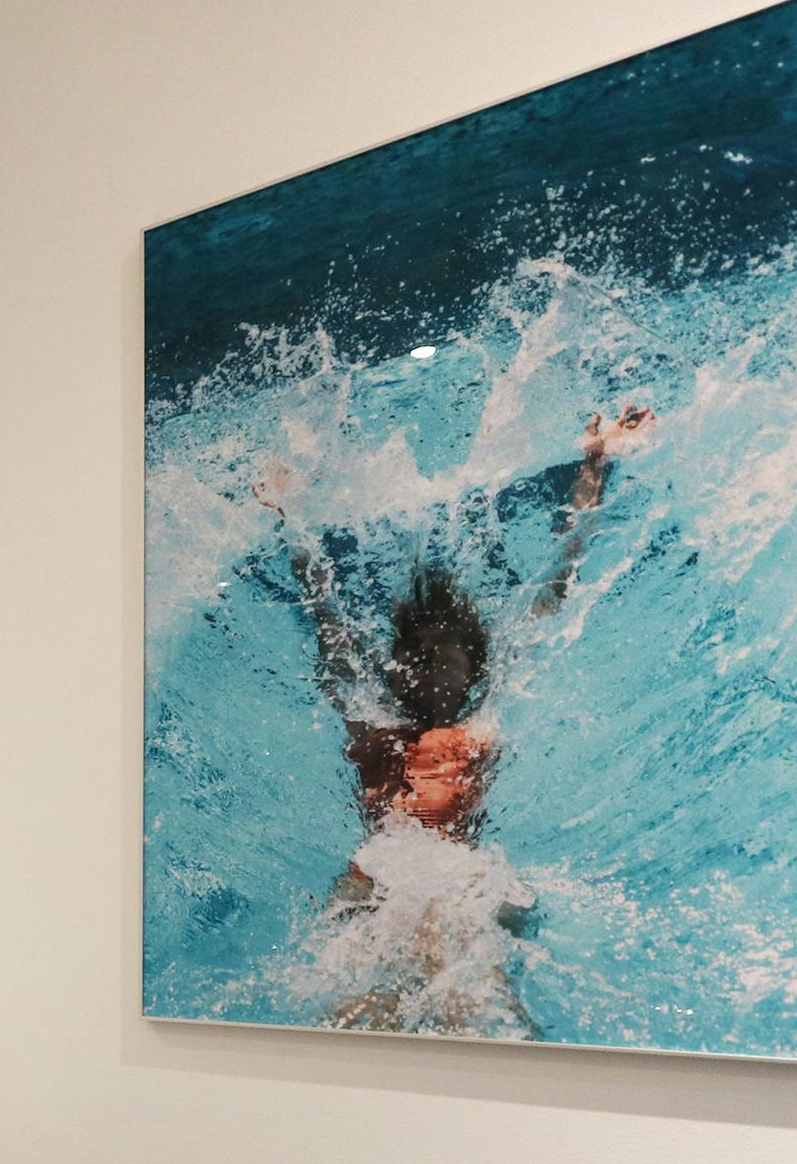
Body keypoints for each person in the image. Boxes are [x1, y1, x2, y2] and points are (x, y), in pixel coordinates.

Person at [250, 404, 654, 1032]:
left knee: (459, 963)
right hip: (377, 871)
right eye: (418, 656)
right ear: (396, 666)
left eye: (446, 657)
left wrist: (594, 467)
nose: (430, 670)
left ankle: (488, 1048)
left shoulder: (480, 722)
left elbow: (557, 581)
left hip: (460, 872)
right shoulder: (370, 723)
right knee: (366, 997)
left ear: (474, 666)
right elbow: (324, 615)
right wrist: (286, 516)